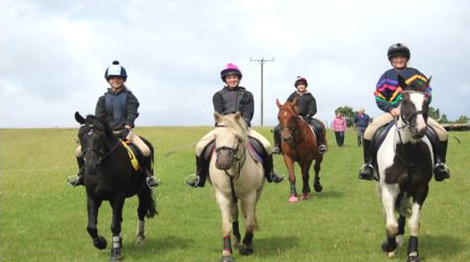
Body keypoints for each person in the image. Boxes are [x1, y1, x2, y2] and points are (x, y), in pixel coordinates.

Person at [358, 43, 450, 182]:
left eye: (401, 57)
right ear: (391, 60)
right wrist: (391, 108)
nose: (399, 60)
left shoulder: (416, 74)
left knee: (442, 133)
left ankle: (439, 164)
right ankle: (369, 165)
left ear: (407, 59)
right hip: (394, 112)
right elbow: (379, 96)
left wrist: (420, 105)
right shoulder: (386, 76)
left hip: (415, 113)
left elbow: (428, 91)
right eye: (395, 58)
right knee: (369, 131)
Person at [184, 63, 284, 188]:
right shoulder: (218, 95)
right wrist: (223, 125)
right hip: (223, 128)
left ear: (238, 78)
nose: (232, 80)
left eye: (234, 77)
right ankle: (200, 177)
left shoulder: (247, 95)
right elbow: (219, 114)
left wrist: (243, 124)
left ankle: (270, 173)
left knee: (267, 145)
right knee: (200, 146)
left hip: (242, 127)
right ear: (225, 80)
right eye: (229, 78)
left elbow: (248, 113)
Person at [67, 60, 159, 188]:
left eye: (119, 78)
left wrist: (127, 127)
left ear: (123, 80)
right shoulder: (102, 99)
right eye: (113, 78)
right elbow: (98, 118)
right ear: (108, 80)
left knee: (145, 150)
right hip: (106, 134)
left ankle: (149, 177)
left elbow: (132, 113)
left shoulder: (130, 97)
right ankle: (81, 175)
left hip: (125, 131)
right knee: (79, 151)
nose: (116, 80)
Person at [273, 76, 327, 154]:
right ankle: (277, 146)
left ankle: (321, 145)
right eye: (299, 85)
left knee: (318, 127)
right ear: (297, 86)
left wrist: (308, 116)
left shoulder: (310, 96)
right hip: (293, 118)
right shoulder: (292, 95)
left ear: (305, 86)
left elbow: (313, 109)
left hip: (307, 117)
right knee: (277, 129)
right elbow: (286, 106)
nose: (301, 86)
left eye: (303, 84)